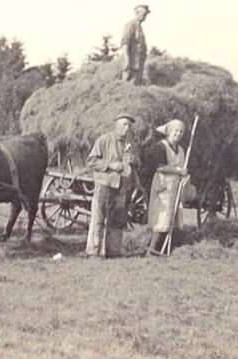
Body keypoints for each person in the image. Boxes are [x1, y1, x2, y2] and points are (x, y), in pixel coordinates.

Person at [85, 113, 138, 258]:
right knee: (98, 217)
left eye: (129, 126)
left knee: (118, 219)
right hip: (105, 184)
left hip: (123, 187)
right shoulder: (104, 140)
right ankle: (94, 251)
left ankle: (113, 251)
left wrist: (133, 160)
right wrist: (110, 165)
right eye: (124, 125)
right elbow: (91, 161)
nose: (127, 129)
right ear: (116, 125)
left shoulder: (131, 144)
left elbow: (136, 163)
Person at [147, 119, 188, 256]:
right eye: (176, 131)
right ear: (169, 132)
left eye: (181, 131)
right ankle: (152, 250)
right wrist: (178, 171)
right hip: (163, 186)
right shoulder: (161, 147)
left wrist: (183, 174)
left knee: (173, 218)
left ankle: (167, 248)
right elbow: (161, 167)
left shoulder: (181, 150)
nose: (178, 134)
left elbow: (182, 167)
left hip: (175, 187)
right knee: (162, 217)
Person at [120, 4, 150, 85]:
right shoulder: (131, 25)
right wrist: (126, 60)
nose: (145, 16)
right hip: (131, 64)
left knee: (136, 87)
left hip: (138, 64)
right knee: (128, 87)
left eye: (146, 15)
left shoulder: (140, 28)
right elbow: (125, 43)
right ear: (137, 13)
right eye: (143, 14)